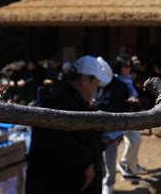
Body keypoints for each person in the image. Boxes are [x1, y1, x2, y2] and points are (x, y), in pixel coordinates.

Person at [26, 55, 112, 194]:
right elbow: (55, 139)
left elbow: (80, 137)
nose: (96, 90)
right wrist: (85, 163)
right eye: (95, 83)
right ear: (84, 80)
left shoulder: (75, 100)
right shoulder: (58, 100)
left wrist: (102, 141)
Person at [94, 57, 130, 194]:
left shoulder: (119, 86)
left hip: (113, 128)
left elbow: (118, 107)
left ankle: (109, 184)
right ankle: (101, 181)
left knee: (110, 159)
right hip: (97, 127)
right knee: (98, 158)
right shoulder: (96, 83)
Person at [114, 54, 145, 179]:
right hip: (121, 116)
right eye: (126, 66)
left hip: (130, 114)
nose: (128, 68)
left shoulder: (127, 78)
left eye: (129, 66)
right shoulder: (116, 80)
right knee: (134, 140)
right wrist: (128, 100)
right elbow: (116, 99)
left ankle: (132, 167)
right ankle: (124, 163)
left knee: (134, 140)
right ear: (119, 67)